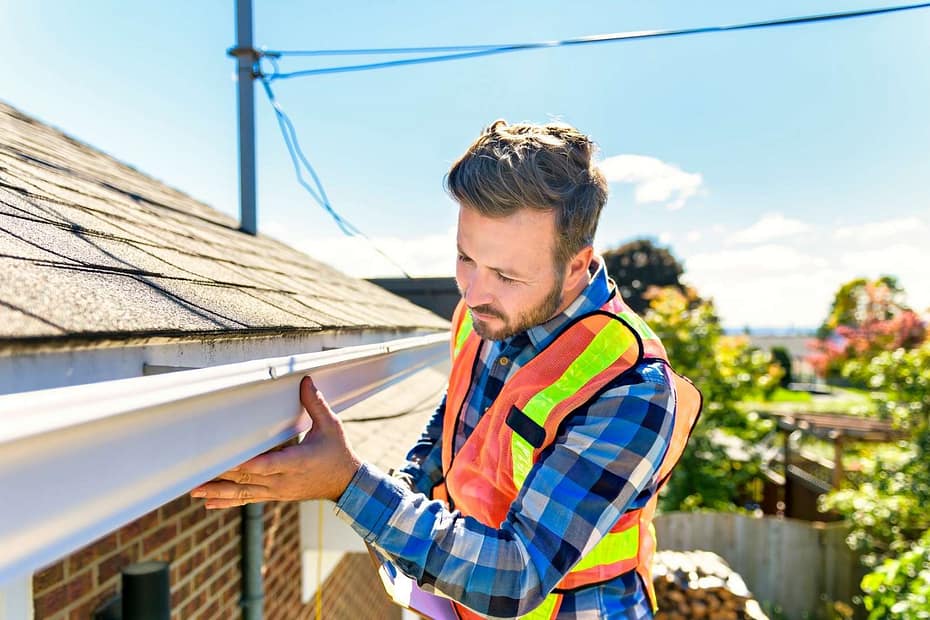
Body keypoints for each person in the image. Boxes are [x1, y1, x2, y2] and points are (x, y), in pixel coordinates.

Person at [192, 120, 701, 619]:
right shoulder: (483, 315)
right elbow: (455, 421)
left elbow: (517, 576)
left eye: (505, 274)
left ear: (574, 264)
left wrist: (348, 486)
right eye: (465, 258)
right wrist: (403, 486)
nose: (474, 292)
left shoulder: (631, 387)